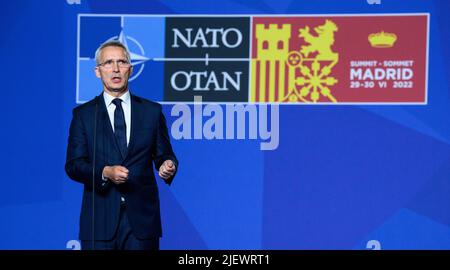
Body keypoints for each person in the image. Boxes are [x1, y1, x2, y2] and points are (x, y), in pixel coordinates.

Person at [65, 40, 178, 250]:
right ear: (98, 71)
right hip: (98, 223)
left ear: (130, 69)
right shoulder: (84, 115)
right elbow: (73, 165)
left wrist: (167, 165)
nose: (115, 69)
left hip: (142, 223)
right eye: (108, 63)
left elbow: (164, 154)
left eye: (121, 62)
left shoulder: (151, 112)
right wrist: (105, 172)